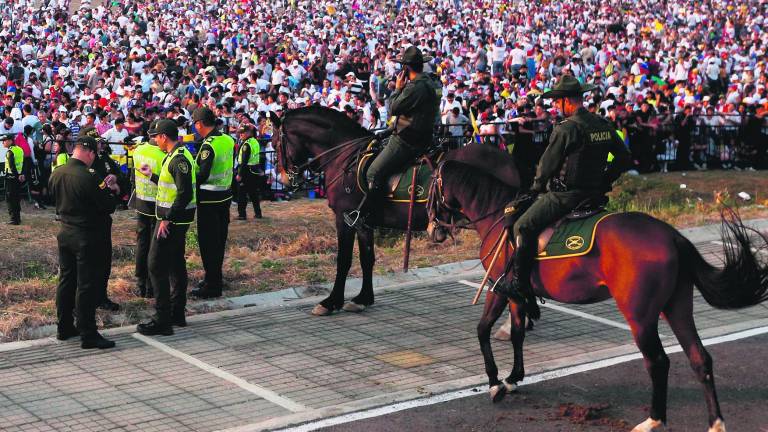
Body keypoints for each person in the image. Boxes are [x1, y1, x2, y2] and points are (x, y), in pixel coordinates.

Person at [508, 76, 632, 314]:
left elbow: (546, 167)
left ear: (566, 101)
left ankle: (519, 286)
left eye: (557, 102)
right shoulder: (601, 124)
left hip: (565, 197)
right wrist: (605, 180)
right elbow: (624, 158)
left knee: (522, 227)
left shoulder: (567, 128)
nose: (555, 106)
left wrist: (534, 190)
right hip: (594, 194)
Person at [344, 46, 440, 228]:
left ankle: (368, 215)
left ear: (406, 68)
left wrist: (397, 88)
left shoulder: (415, 88)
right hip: (420, 135)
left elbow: (394, 108)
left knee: (373, 172)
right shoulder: (429, 82)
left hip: (407, 140)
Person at [48, 136, 118, 349]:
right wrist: (112, 191)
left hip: (65, 231)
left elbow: (53, 199)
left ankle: (64, 326)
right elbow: (107, 205)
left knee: (66, 280)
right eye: (94, 154)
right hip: (87, 235)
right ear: (89, 153)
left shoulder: (57, 172)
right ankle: (88, 333)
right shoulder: (89, 175)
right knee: (86, 284)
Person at [136, 119, 197, 335]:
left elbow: (184, 193)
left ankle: (163, 319)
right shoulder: (176, 155)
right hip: (176, 220)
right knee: (176, 264)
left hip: (172, 222)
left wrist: (167, 219)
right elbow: (170, 187)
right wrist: (150, 175)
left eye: (156, 137)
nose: (155, 141)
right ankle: (176, 313)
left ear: (163, 137)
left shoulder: (177, 158)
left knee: (155, 265)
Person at [191, 107, 234, 299]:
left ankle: (212, 285)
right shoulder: (226, 139)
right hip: (225, 197)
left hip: (209, 200)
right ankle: (215, 277)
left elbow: (202, 174)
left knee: (208, 245)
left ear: (199, 124)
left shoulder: (208, 146)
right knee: (219, 241)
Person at [79, 127, 124, 312]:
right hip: (87, 218)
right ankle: (84, 300)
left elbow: (119, 173)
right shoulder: (82, 163)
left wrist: (116, 178)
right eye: (95, 143)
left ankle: (101, 296)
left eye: (99, 142)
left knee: (104, 261)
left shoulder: (103, 158)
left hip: (104, 216)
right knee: (86, 263)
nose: (99, 145)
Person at [131, 130, 166, 298]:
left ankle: (140, 282)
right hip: (158, 204)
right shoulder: (163, 153)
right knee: (155, 246)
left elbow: (132, 177)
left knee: (142, 243)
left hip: (141, 202)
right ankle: (152, 284)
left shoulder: (138, 150)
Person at [236, 124, 264, 220]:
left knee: (242, 194)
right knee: (253, 194)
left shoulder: (246, 144)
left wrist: (239, 174)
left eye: (243, 133)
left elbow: (244, 161)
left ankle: (242, 214)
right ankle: (258, 213)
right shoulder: (254, 141)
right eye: (240, 133)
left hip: (246, 171)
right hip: (254, 170)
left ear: (248, 133)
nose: (241, 135)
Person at [3, 133, 26, 225]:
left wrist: (17, 176)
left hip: (11, 177)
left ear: (10, 141)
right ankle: (17, 218)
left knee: (10, 198)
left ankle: (14, 219)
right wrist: (21, 175)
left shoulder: (10, 151)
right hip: (18, 177)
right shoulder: (20, 149)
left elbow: (12, 167)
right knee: (16, 198)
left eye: (4, 141)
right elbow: (23, 163)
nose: (3, 143)